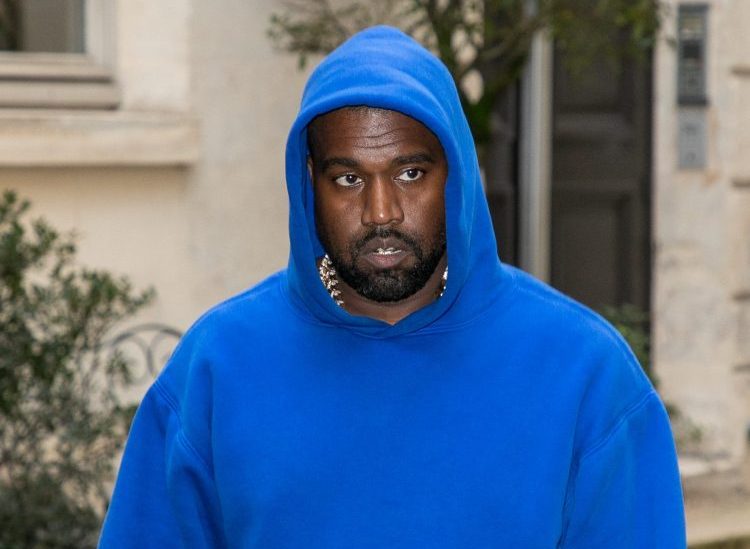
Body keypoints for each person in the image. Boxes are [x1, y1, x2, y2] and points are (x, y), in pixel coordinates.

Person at [99, 26, 686, 548]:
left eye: (410, 173)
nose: (381, 211)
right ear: (309, 183)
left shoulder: (585, 372)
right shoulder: (217, 367)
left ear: (455, 174)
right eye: (348, 179)